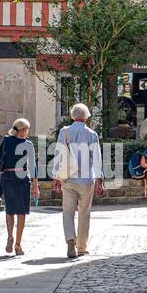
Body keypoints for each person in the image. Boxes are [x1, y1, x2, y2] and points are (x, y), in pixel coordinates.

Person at [53, 102, 104, 259]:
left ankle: (70, 240)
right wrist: (100, 179)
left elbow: (59, 154)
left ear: (72, 116)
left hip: (68, 178)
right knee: (84, 213)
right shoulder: (92, 134)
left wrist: (56, 176)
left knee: (67, 211)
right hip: (86, 179)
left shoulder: (64, 132)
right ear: (86, 117)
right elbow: (96, 158)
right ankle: (81, 246)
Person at [0, 118, 38, 255]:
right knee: (22, 212)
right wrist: (35, 186)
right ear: (23, 130)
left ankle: (10, 236)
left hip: (7, 177)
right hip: (22, 179)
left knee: (9, 210)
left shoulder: (6, 140)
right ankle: (18, 244)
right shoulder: (28, 144)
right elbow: (33, 166)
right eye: (27, 129)